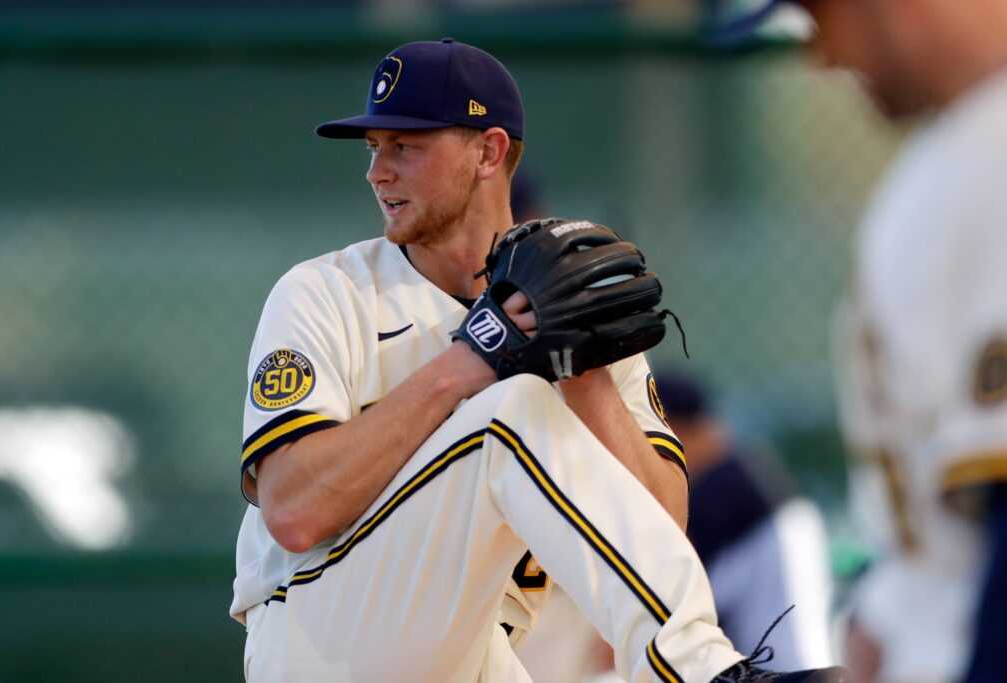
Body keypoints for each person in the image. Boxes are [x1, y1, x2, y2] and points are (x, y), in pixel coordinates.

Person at [230, 37, 847, 683]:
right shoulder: (325, 292)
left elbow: (657, 533)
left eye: (405, 146)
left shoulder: (578, 311)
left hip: (480, 650)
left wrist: (585, 376)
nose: (377, 171)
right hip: (319, 634)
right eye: (374, 148)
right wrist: (474, 358)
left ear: (489, 151)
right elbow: (294, 513)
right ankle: (697, 673)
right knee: (510, 407)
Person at [718, 2, 1007, 681]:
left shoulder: (988, 168)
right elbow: (931, 548)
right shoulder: (952, 160)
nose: (820, 57)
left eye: (824, 15)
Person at [654, 370, 835, 673]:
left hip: (775, 555)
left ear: (678, 429)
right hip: (775, 555)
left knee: (788, 658)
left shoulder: (720, 480)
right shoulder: (733, 469)